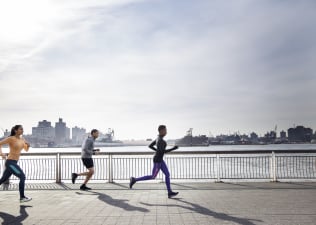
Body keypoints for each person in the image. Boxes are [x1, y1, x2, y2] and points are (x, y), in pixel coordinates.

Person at [129, 125, 179, 198]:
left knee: (167, 174)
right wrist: (173, 148)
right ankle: (134, 179)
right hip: (157, 161)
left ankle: (169, 192)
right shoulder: (160, 140)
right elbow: (163, 151)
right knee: (153, 176)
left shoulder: (158, 138)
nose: (166, 132)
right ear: (161, 131)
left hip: (160, 160)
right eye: (165, 130)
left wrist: (157, 151)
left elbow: (150, 146)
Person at [0, 125, 32, 202]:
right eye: (21, 129)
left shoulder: (22, 139)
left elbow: (26, 149)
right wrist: (1, 154)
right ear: (15, 130)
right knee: (22, 176)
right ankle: (22, 197)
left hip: (14, 162)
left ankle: (22, 197)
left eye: (22, 129)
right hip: (10, 163)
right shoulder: (11, 138)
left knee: (2, 180)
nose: (22, 130)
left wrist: (28, 145)